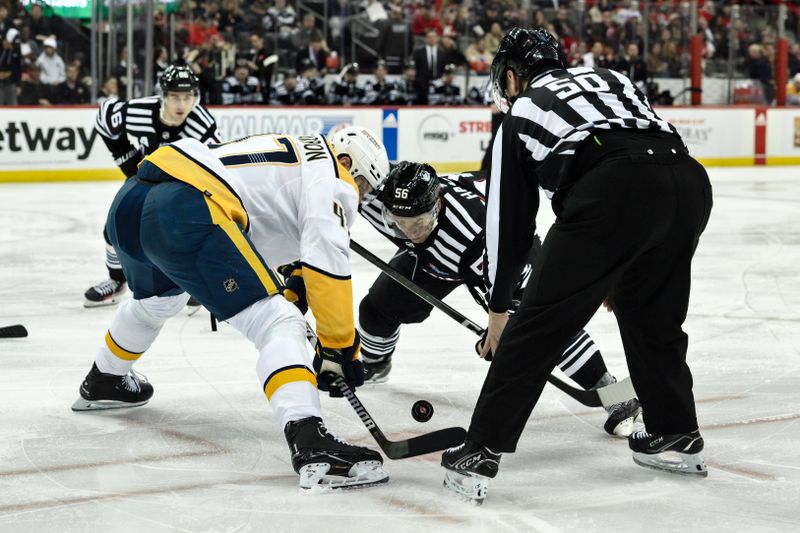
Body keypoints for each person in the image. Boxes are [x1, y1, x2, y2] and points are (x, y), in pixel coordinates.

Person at [441, 27, 713, 503]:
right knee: (653, 317)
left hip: (613, 190)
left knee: (537, 325)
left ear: (510, 75)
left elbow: (509, 225)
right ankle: (677, 432)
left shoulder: (521, 111)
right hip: (686, 183)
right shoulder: (612, 77)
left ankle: (480, 450)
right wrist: (617, 263)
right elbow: (640, 152)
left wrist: (501, 312)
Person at [71, 128, 390, 490]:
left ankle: (105, 378)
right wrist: (340, 348)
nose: (360, 197)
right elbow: (327, 263)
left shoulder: (298, 149)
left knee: (157, 300)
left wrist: (296, 286)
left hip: (133, 199)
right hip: (185, 210)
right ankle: (310, 443)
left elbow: (271, 222)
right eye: (364, 185)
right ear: (347, 161)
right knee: (278, 323)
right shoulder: (335, 177)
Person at [354, 160, 641, 437]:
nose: (409, 231)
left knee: (543, 321)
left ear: (437, 205)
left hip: (507, 250)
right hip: (435, 258)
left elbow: (499, 295)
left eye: (418, 222)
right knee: (376, 310)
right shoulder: (385, 190)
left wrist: (500, 329)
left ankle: (615, 394)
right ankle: (376, 363)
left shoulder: (472, 238)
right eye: (400, 222)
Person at [85, 65, 222, 307]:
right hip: (146, 177)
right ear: (163, 95)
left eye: (188, 97)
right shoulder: (137, 111)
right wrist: (130, 166)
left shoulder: (203, 125)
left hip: (181, 184)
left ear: (196, 97)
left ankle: (194, 282)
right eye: (174, 97)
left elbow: (215, 166)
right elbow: (104, 117)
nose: (182, 104)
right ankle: (116, 281)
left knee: (188, 232)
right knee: (114, 227)